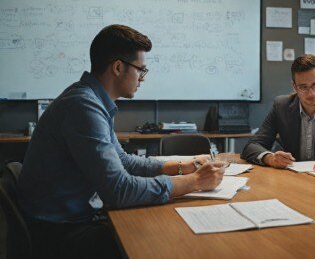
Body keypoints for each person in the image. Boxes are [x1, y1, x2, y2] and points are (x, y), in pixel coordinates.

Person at [17, 25, 225, 258]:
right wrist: (194, 181)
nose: (142, 79)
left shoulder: (92, 100)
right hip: (59, 233)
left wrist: (180, 166)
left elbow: (123, 161)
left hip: (72, 219)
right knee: (163, 241)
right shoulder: (83, 107)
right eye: (141, 70)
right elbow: (119, 190)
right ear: (118, 67)